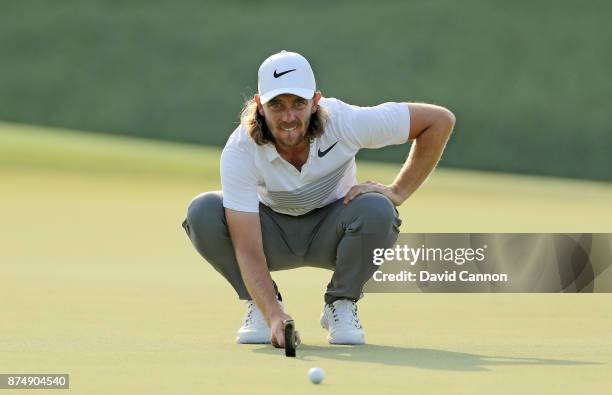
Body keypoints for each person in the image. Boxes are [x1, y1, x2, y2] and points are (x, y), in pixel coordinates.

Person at [182, 50, 455, 348]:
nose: (289, 117)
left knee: (378, 208)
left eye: (299, 104)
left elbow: (439, 121)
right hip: (271, 237)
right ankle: (261, 308)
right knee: (204, 211)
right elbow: (247, 248)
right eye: (277, 105)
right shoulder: (240, 150)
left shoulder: (344, 121)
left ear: (316, 101)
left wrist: (398, 191)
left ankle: (341, 304)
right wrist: (275, 314)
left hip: (336, 235)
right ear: (260, 106)